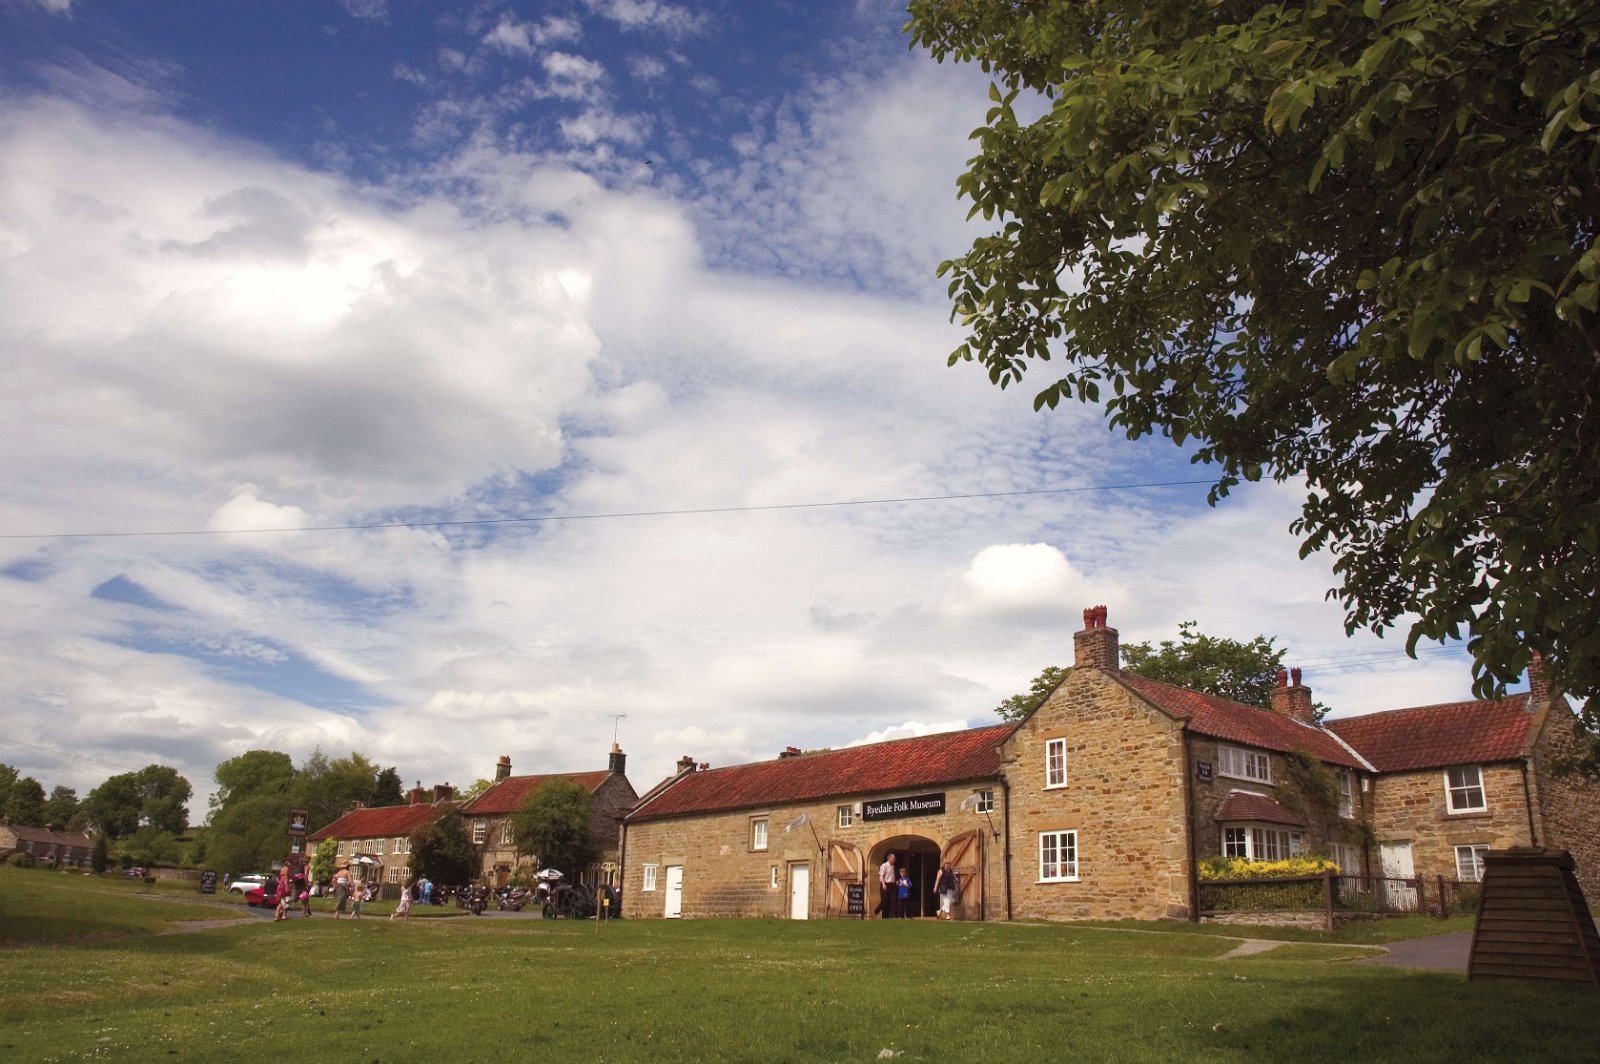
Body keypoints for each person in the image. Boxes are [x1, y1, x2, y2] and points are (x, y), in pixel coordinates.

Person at [877, 853, 897, 918]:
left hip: (892, 885)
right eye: (893, 858)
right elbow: (881, 876)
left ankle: (892, 915)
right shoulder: (884, 865)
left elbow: (892, 876)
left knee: (893, 900)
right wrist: (883, 884)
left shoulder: (893, 866)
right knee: (884, 901)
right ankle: (879, 912)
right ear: (889, 858)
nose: (894, 859)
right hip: (885, 884)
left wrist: (895, 881)